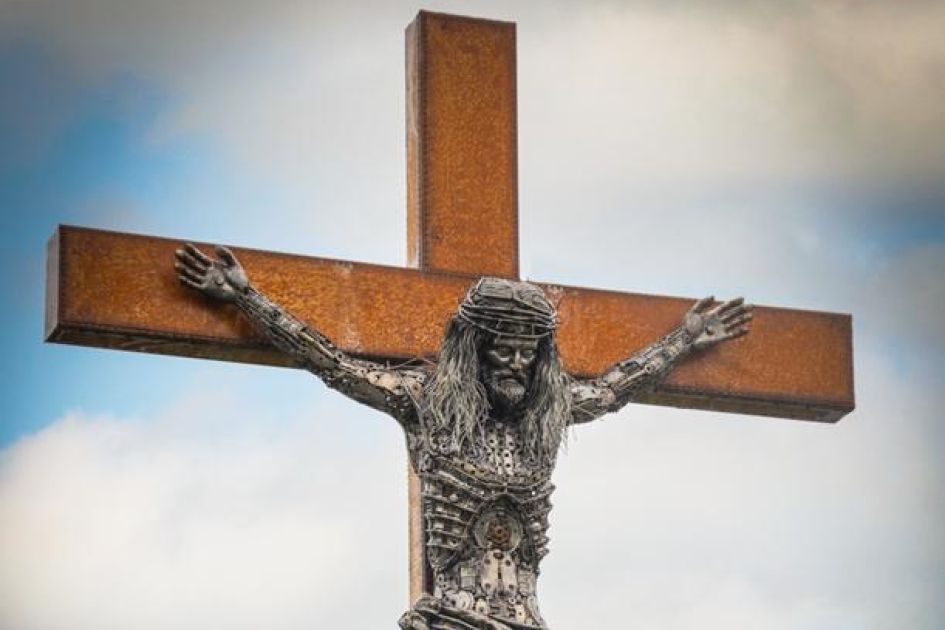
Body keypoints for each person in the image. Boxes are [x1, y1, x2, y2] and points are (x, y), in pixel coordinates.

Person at [175, 243, 752, 630]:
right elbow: (334, 363)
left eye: (530, 352)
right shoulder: (427, 401)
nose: (518, 363)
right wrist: (246, 299)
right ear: (473, 346)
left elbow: (614, 387)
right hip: (453, 618)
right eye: (505, 347)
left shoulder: (547, 413)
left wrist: (683, 340)